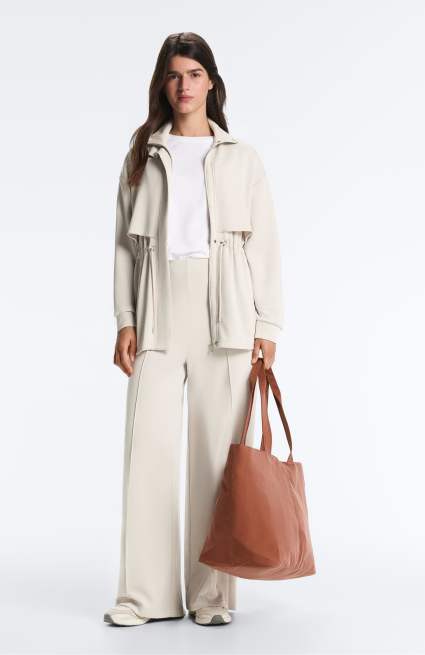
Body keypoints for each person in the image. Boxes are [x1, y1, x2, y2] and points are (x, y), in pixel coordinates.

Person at [105, 31, 284, 627]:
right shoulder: (143, 154)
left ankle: (211, 598)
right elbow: (124, 247)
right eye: (174, 75)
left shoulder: (241, 158)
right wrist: (126, 318)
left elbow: (264, 245)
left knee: (215, 464)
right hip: (158, 311)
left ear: (212, 82)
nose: (184, 85)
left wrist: (267, 324)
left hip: (227, 317)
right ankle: (144, 598)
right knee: (148, 457)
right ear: (163, 84)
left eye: (194, 74)